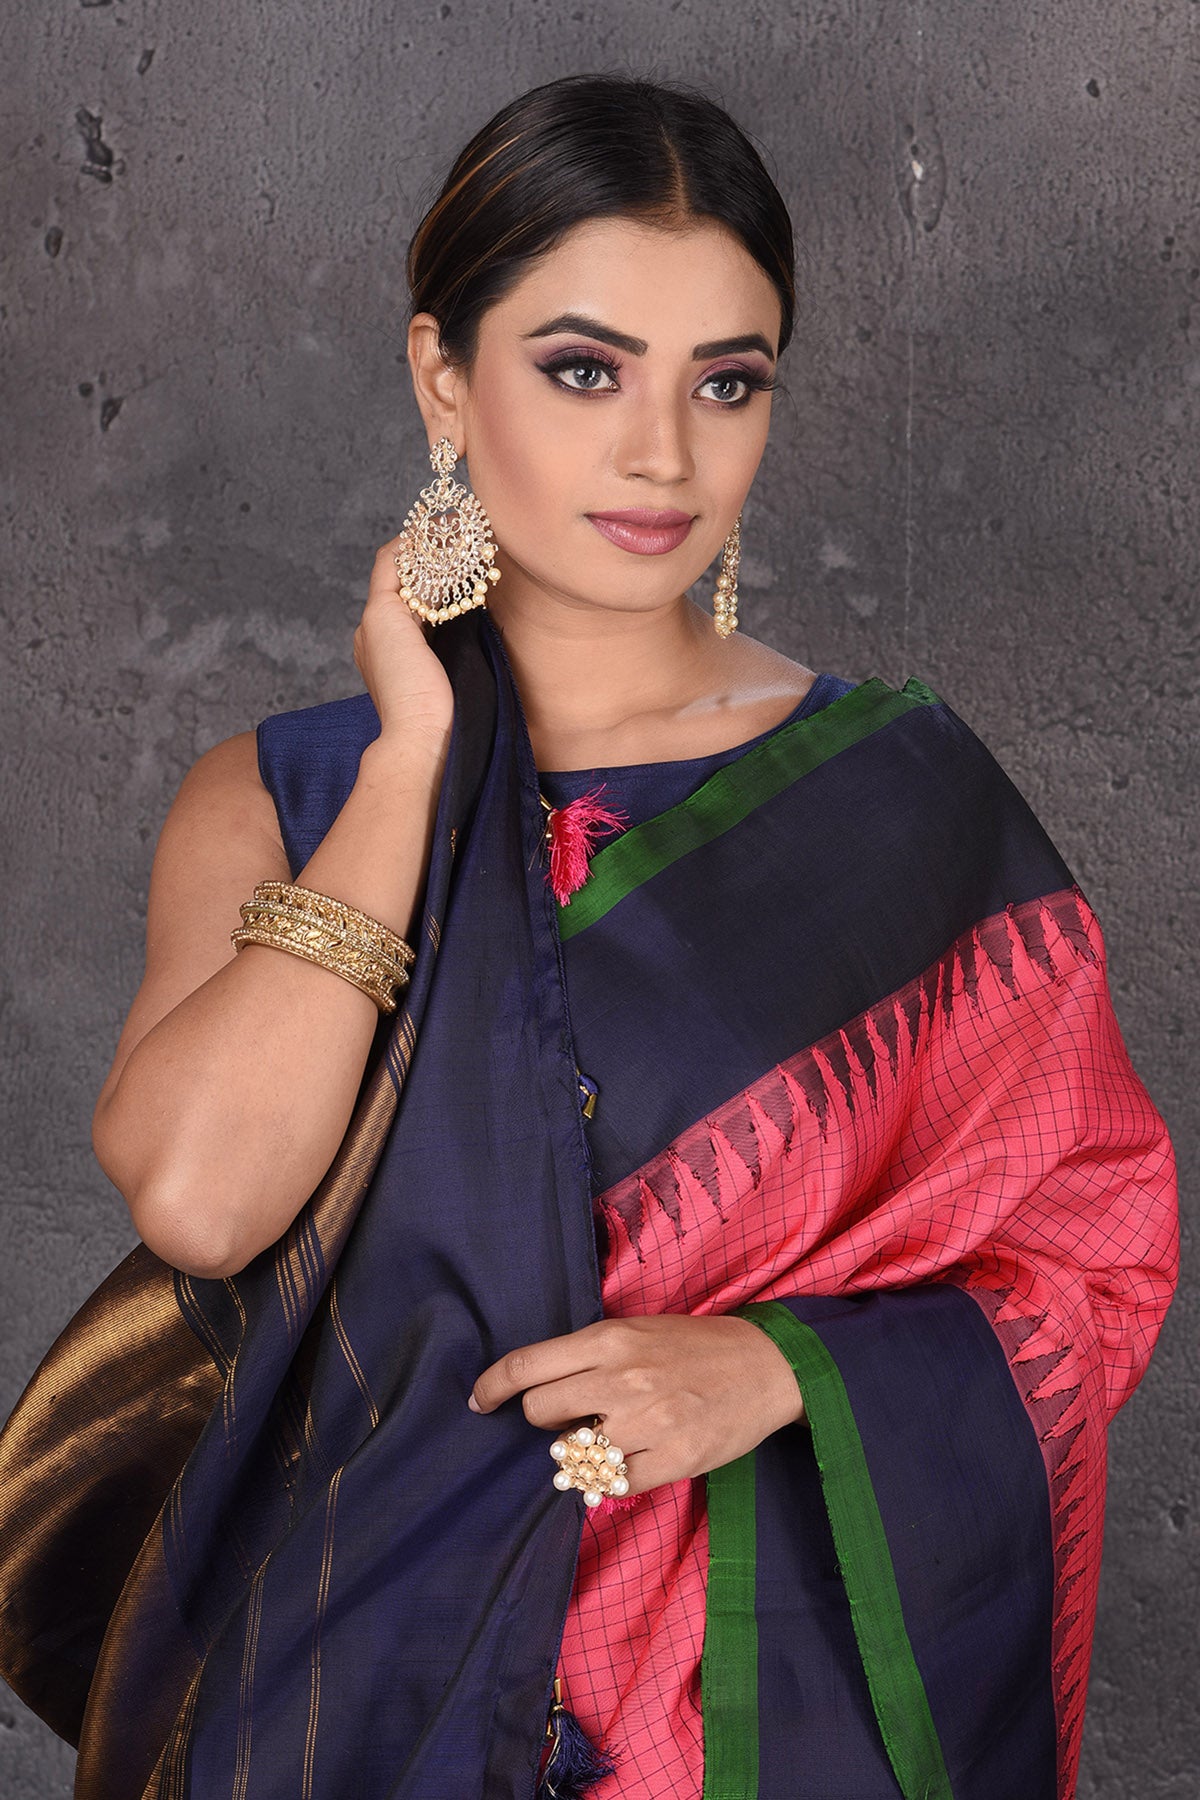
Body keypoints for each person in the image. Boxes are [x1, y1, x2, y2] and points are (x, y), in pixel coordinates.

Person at [0, 73, 1178, 1800]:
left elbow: (1092, 1255)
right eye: (583, 369)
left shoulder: (899, 804)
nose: (663, 454)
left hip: (742, 1731)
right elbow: (200, 1199)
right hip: (347, 1698)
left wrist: (780, 1369)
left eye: (727, 382)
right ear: (442, 376)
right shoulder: (287, 795)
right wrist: (413, 757)